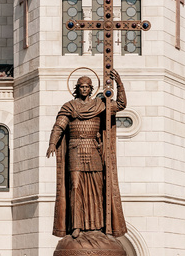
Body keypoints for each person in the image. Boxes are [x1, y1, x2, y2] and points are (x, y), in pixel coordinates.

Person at [47, 69, 127, 239]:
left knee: (96, 189)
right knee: (75, 187)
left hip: (93, 150)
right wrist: (53, 143)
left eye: (87, 87)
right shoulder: (69, 107)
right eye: (81, 86)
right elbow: (59, 126)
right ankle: (76, 225)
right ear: (77, 88)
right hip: (75, 150)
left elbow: (120, 105)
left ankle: (97, 226)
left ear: (91, 89)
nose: (84, 89)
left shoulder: (99, 105)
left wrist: (119, 84)